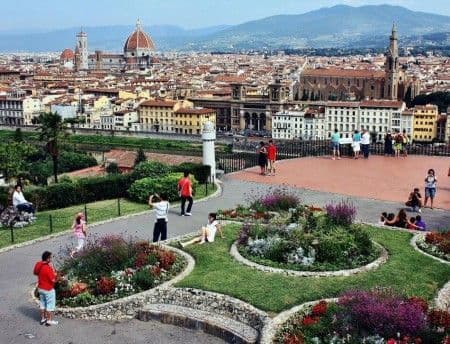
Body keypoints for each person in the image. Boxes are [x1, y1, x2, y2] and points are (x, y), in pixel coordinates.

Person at [33, 251, 58, 326]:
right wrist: (54, 273)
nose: (51, 259)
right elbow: (53, 279)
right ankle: (49, 320)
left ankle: (43, 318)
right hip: (48, 289)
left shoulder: (39, 264)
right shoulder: (47, 268)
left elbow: (35, 272)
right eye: (50, 257)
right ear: (47, 258)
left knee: (42, 303)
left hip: (40, 288)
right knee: (50, 305)